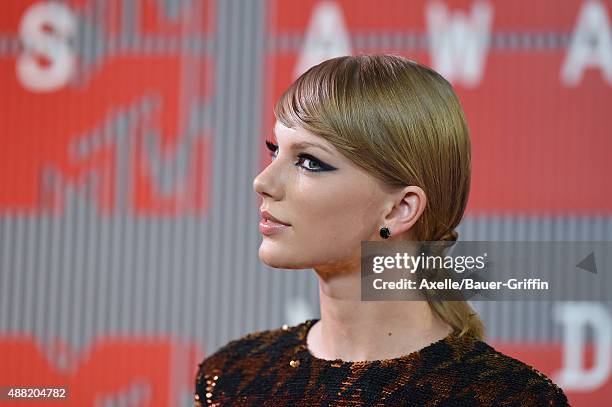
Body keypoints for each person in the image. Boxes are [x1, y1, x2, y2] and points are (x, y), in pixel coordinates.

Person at [194, 54, 569, 406]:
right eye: (275, 150)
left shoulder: (508, 398)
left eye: (309, 161)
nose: (263, 181)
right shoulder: (234, 376)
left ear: (399, 209)